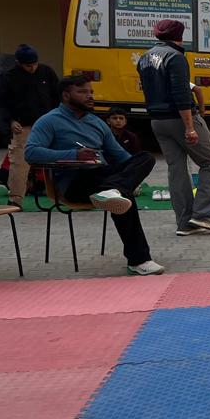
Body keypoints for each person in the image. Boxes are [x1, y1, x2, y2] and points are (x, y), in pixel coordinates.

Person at [24, 75, 163, 275]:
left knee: (145, 158)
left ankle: (113, 190)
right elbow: (31, 152)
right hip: (74, 182)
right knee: (124, 196)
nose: (90, 96)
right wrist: (73, 154)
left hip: (102, 176)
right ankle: (139, 260)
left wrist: (132, 171)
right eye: (82, 92)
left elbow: (120, 156)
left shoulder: (97, 123)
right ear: (66, 95)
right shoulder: (49, 121)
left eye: (91, 92)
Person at [138, 19, 210, 236]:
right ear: (180, 35)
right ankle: (202, 214)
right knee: (209, 162)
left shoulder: (145, 58)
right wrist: (190, 127)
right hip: (180, 118)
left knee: (176, 169)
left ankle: (184, 223)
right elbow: (181, 93)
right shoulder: (175, 57)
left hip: (157, 120)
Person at [0, 44, 59, 208]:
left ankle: (61, 194)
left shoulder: (46, 72)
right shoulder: (8, 77)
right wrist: (11, 121)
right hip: (23, 125)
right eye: (28, 65)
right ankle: (15, 199)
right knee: (20, 162)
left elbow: (57, 96)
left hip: (48, 123)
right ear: (18, 63)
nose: (32, 68)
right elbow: (2, 103)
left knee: (59, 158)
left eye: (34, 64)